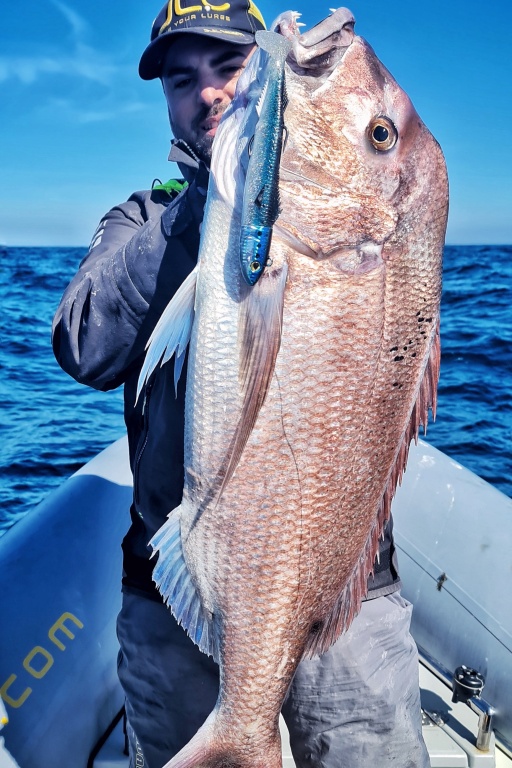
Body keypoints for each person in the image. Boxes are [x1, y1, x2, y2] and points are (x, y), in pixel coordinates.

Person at [52, 3, 430, 767]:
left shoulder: (360, 242)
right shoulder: (144, 218)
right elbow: (83, 345)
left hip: (341, 585)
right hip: (173, 591)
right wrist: (207, 205)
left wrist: (276, 167)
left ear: (257, 68)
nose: (208, 93)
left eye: (228, 66)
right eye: (182, 80)